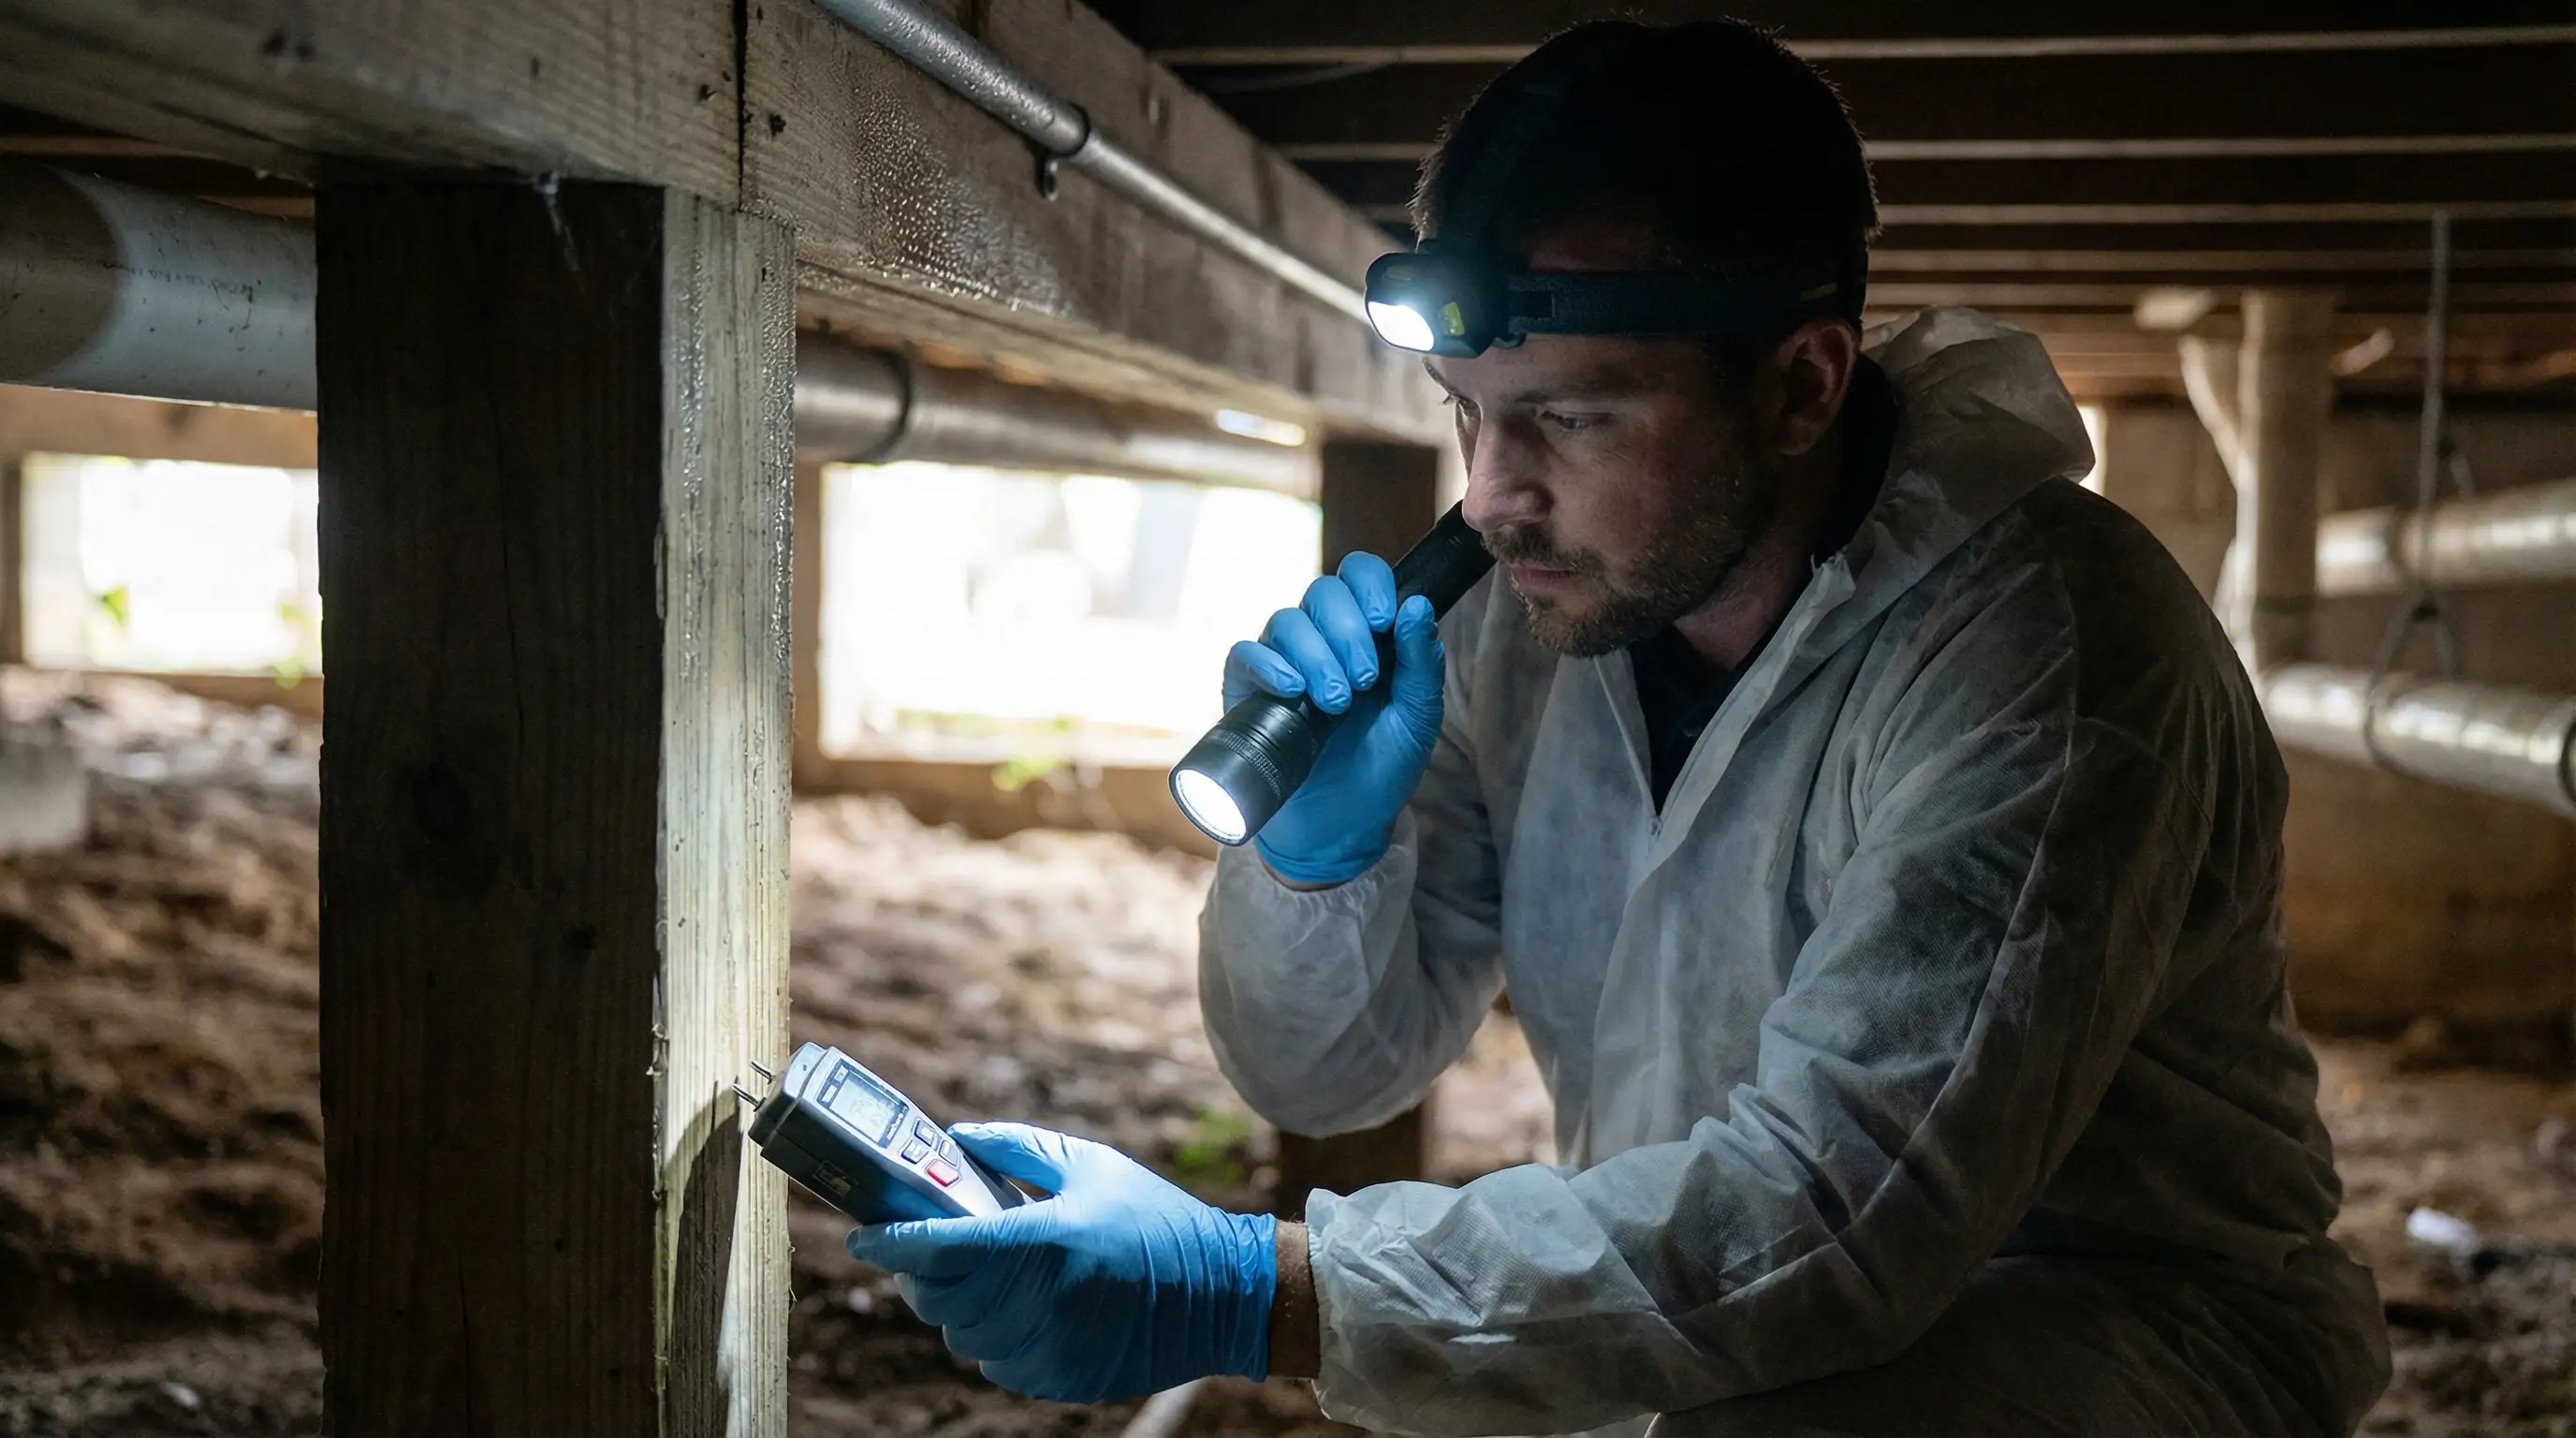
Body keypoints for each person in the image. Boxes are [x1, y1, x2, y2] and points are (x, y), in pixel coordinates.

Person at [848, 20, 2393, 1436]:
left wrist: (1254, 1289)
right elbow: (1329, 1078)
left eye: (1573, 419)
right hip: (1734, 1306)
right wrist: (1321, 866)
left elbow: (1842, 1230)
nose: (1494, 495)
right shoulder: (1538, 615)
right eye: (1470, 410)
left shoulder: (2041, 650)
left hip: (2133, 1335)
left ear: (1800, 386)